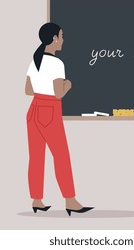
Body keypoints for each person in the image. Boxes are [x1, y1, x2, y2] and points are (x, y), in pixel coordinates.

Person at [25, 22, 93, 216]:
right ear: (54, 38)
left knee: (36, 157)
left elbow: (28, 90)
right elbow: (58, 94)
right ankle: (70, 200)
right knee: (61, 156)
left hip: (34, 110)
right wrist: (68, 84)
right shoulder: (56, 63)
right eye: (61, 36)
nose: (63, 40)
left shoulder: (35, 61)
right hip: (50, 110)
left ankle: (37, 199)